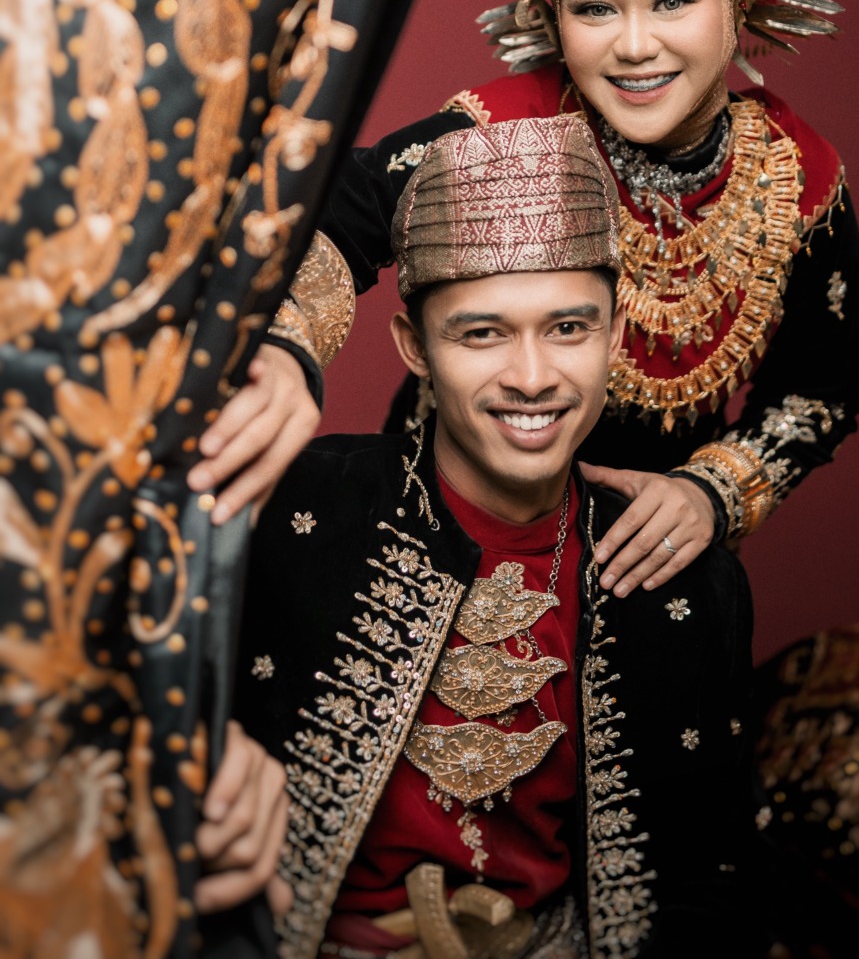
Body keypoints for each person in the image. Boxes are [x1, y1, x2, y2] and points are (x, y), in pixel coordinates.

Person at [193, 0, 859, 599]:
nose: (634, 45)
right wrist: (284, 351)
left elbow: (821, 391)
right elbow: (333, 221)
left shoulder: (798, 177)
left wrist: (711, 495)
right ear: (549, 13)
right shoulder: (503, 128)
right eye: (594, 8)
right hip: (428, 562)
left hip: (640, 587)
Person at [235, 115, 760, 959]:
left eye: (569, 328)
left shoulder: (688, 586)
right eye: (482, 333)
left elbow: (708, 881)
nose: (532, 377)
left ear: (616, 334)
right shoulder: (294, 511)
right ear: (415, 346)